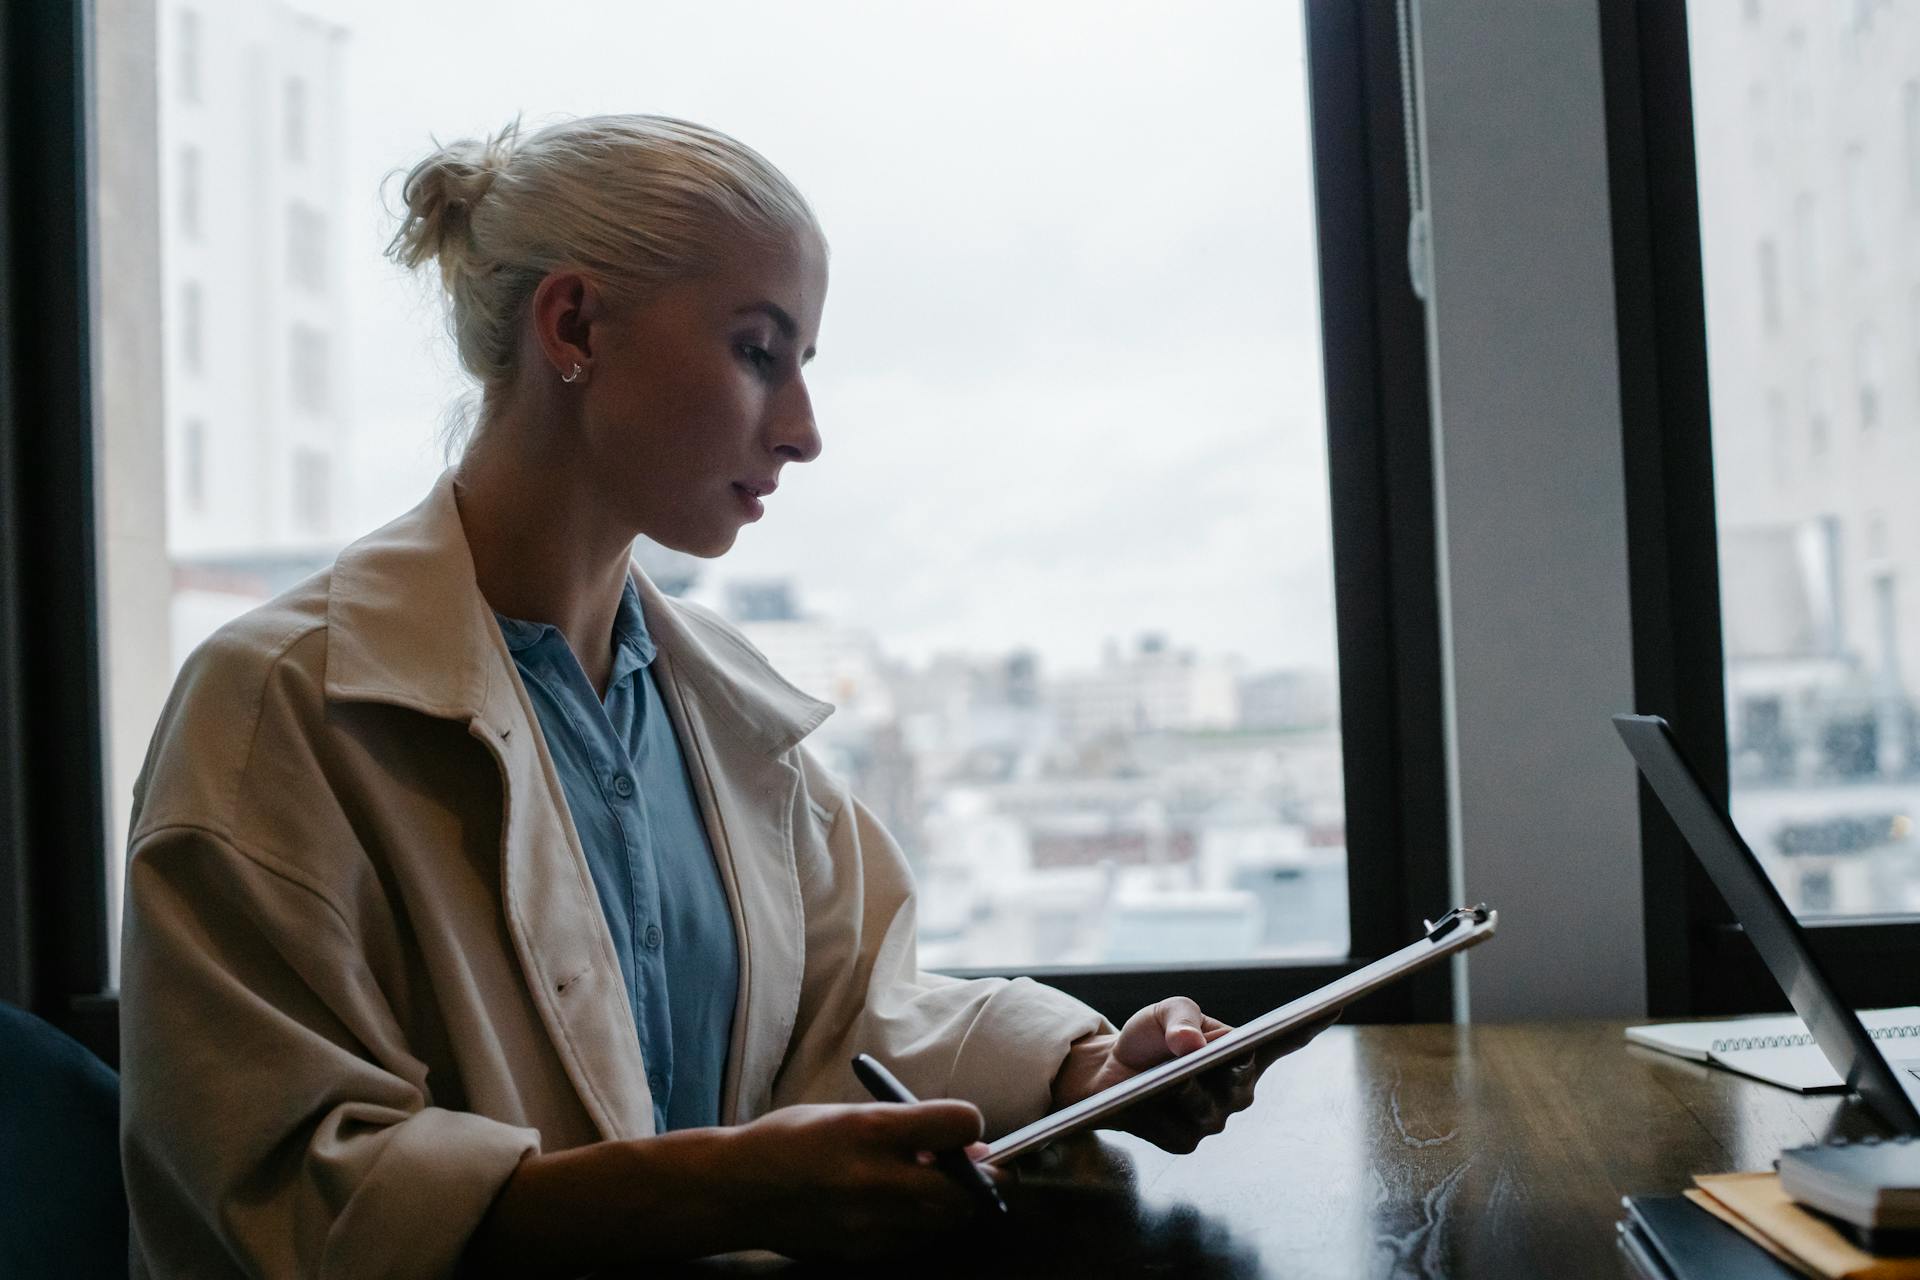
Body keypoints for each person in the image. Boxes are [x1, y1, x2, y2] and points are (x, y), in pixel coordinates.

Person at [118, 115, 1328, 1279]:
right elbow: (282, 1188)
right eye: (760, 351)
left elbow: (850, 1013)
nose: (801, 431)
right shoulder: (276, 705)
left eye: (803, 363)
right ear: (574, 322)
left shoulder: (720, 710)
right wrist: (723, 1190)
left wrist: (1090, 1068)